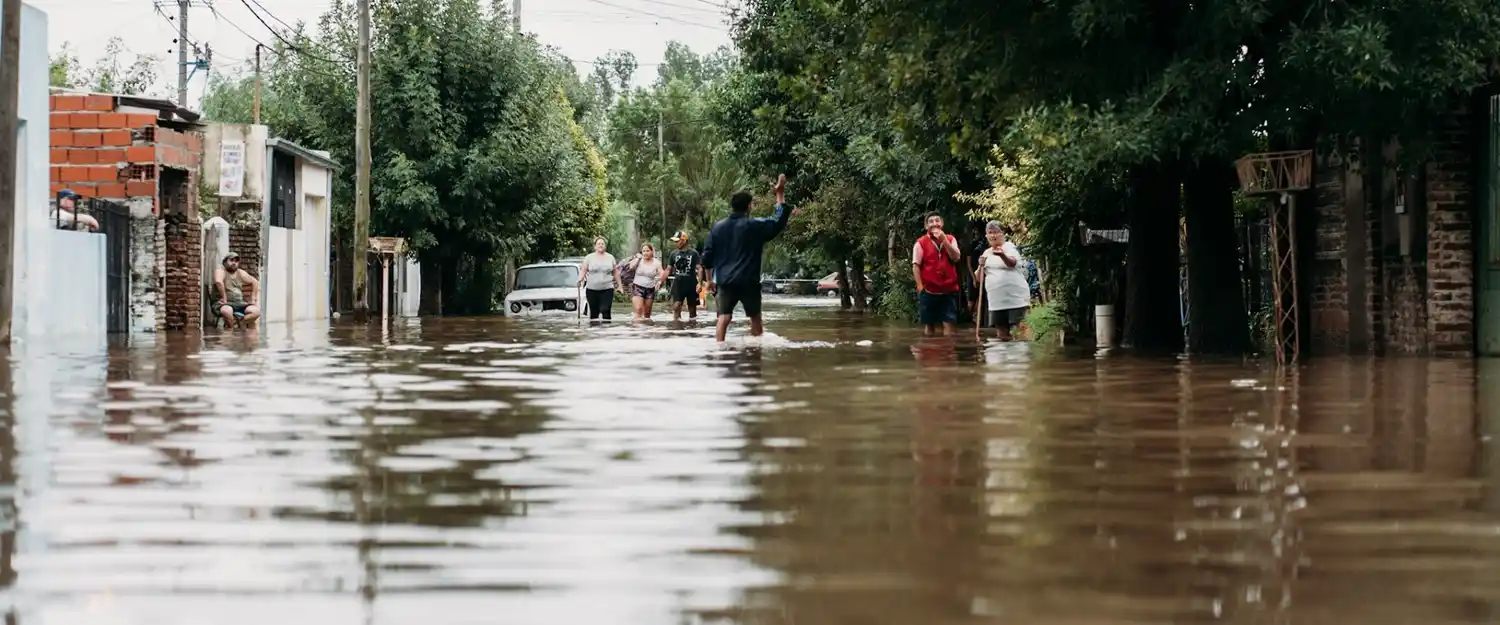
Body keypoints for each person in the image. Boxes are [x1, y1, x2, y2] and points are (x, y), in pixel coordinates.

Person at [703, 174, 799, 343]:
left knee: (723, 317)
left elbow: (708, 255)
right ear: (749, 206)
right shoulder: (754, 226)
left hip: (725, 281)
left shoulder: (717, 228)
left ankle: (719, 351)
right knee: (755, 318)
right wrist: (780, 194)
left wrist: (709, 280)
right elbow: (777, 221)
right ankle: (756, 352)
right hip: (749, 280)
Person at [974, 222, 1031, 341]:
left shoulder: (1009, 247)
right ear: (986, 236)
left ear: (1002, 233)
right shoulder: (986, 253)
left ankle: (1020, 357)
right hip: (997, 301)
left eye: (996, 232)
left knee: (1020, 333)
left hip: (1016, 299)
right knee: (1001, 335)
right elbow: (979, 279)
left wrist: (1002, 255)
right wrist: (980, 266)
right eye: (990, 232)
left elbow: (1012, 263)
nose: (993, 235)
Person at [912, 212, 962, 336]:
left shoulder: (950, 239)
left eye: (937, 220)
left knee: (949, 323)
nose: (935, 223)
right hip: (929, 290)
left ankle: (947, 353)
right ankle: (929, 352)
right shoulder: (920, 242)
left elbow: (956, 258)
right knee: (929, 325)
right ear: (926, 226)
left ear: (942, 224)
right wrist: (920, 287)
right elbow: (916, 266)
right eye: (931, 221)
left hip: (948, 289)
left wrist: (944, 240)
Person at [577, 237, 621, 321]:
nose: (601, 245)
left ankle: (606, 331)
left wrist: (620, 285)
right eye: (599, 244)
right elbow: (583, 270)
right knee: (594, 314)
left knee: (605, 310)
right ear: (595, 246)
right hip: (592, 289)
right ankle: (595, 332)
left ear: (605, 246)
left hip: (607, 289)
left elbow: (615, 272)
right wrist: (579, 280)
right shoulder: (589, 257)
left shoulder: (610, 257)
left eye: (602, 244)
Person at [213, 253, 261, 329]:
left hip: (239, 303)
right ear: (225, 262)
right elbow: (218, 281)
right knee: (227, 311)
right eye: (231, 260)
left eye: (236, 261)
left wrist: (253, 298)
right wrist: (224, 298)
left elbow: (255, 282)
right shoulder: (220, 271)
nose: (234, 263)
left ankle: (241, 322)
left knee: (256, 312)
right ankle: (231, 330)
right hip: (224, 304)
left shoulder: (240, 273)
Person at [667, 230, 705, 322]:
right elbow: (668, 269)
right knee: (677, 305)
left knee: (692, 308)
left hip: (691, 283)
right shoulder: (673, 254)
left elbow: (699, 268)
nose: (676, 243)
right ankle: (677, 325)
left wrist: (700, 283)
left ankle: (692, 328)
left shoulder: (693, 253)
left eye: (677, 241)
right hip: (678, 283)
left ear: (684, 240)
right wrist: (660, 280)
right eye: (675, 241)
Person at [628, 242, 667, 320]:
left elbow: (662, 273)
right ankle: (637, 329)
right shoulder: (638, 260)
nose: (645, 253)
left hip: (650, 289)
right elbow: (631, 267)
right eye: (644, 251)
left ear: (652, 251)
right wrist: (638, 258)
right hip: (637, 287)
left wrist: (660, 281)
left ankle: (647, 330)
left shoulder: (656, 263)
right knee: (639, 309)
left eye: (647, 251)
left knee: (647, 314)